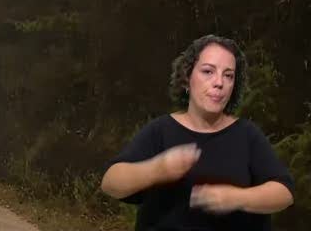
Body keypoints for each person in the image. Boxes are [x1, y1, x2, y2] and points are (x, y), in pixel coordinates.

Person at [100, 34, 295, 230]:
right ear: (187, 79)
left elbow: (284, 193)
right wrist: (157, 169)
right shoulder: (161, 130)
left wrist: (236, 198)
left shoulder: (247, 134)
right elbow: (110, 183)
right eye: (208, 71)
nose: (219, 82)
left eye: (228, 75)